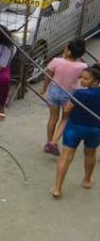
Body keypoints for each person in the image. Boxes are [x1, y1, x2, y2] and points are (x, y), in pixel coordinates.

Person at [51, 65, 100, 199]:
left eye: (86, 79)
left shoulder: (80, 93)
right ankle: (87, 180)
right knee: (90, 154)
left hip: (74, 127)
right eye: (81, 77)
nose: (82, 81)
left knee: (66, 156)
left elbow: (67, 110)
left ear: (95, 81)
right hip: (95, 129)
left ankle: (57, 188)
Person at [43, 40, 90, 156]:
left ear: (68, 51)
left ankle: (48, 142)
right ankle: (54, 142)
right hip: (69, 94)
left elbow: (48, 75)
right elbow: (83, 78)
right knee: (65, 119)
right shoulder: (83, 66)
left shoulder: (56, 61)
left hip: (54, 91)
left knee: (53, 117)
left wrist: (44, 88)